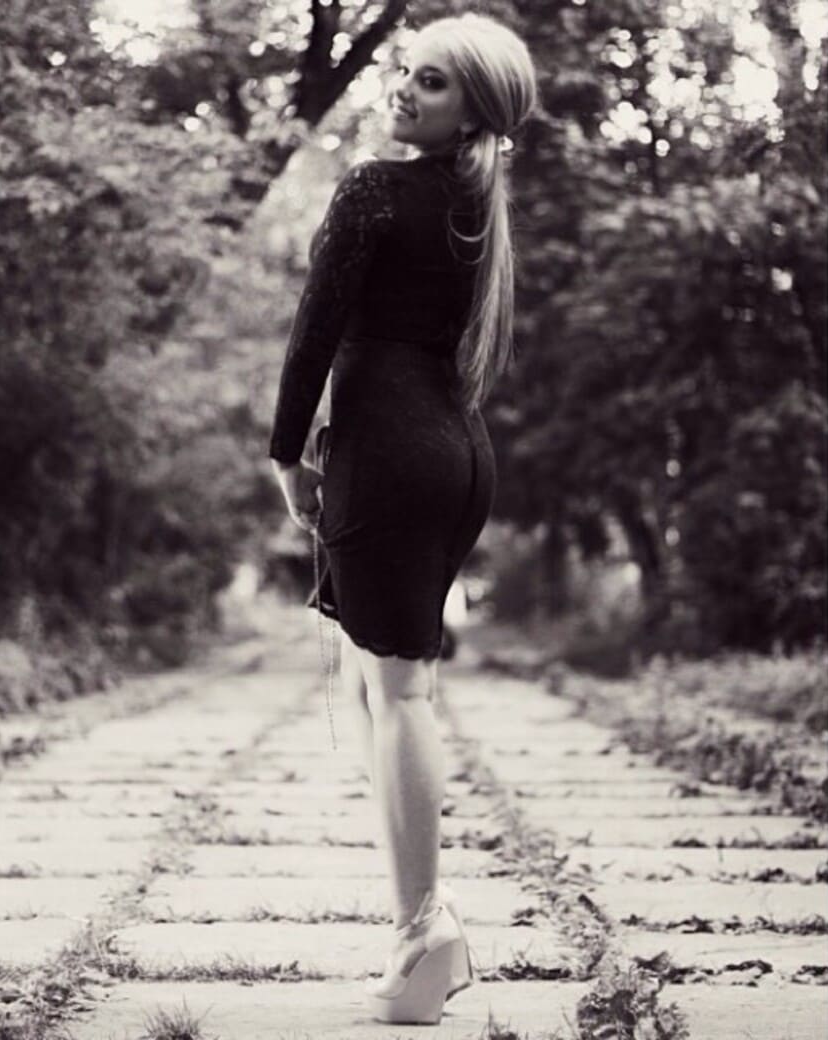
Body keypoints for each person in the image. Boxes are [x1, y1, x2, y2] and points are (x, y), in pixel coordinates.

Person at [268, 11, 537, 1024]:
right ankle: (421, 933)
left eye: (431, 81)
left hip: (388, 457)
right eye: (405, 71)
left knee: (401, 692)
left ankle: (424, 928)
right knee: (390, 685)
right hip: (456, 456)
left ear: (473, 107)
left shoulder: (375, 189)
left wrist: (284, 453)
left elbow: (315, 332)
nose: (403, 88)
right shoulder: (473, 204)